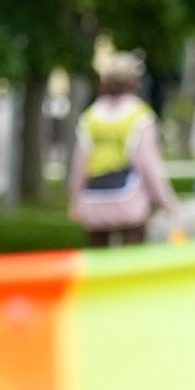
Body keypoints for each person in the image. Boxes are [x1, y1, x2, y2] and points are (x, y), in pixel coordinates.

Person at [70, 53, 179, 247]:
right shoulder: (140, 116)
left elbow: (80, 163)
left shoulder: (90, 116)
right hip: (129, 198)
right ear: (134, 82)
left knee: (97, 258)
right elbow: (149, 165)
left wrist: (75, 200)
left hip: (94, 197)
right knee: (132, 259)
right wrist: (166, 201)